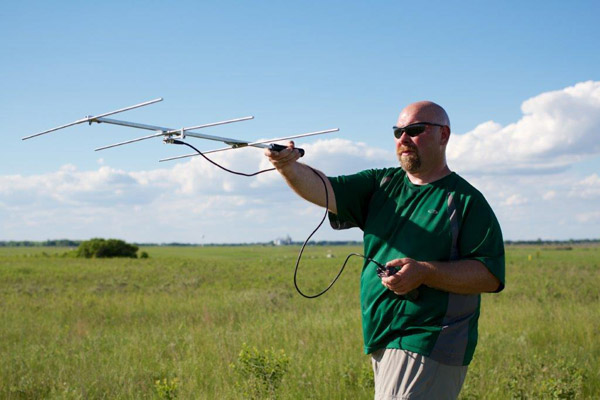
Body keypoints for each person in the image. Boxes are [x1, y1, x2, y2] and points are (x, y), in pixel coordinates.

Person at [265, 101, 505, 399]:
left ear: (444, 135)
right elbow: (322, 188)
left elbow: (489, 275)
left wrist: (425, 273)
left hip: (430, 339)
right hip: (383, 337)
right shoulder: (382, 184)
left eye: (415, 130)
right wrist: (287, 166)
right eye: (397, 132)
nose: (403, 139)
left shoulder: (465, 200)